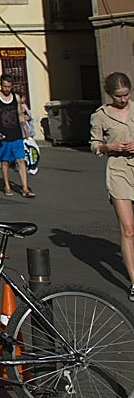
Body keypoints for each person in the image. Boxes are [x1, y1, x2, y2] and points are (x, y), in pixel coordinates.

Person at [89, 72, 134, 303]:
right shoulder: (101, 116)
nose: (123, 100)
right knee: (128, 228)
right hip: (118, 170)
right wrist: (110, 146)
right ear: (110, 94)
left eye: (126, 95)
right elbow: (94, 145)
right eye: (118, 96)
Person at [0, 74, 34, 198]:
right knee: (5, 162)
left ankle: (25, 188)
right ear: (0, 85)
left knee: (21, 160)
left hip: (16, 134)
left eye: (9, 87)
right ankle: (7, 186)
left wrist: (26, 130)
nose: (7, 89)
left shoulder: (16, 98)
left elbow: (19, 114)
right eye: (4, 86)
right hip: (2, 135)